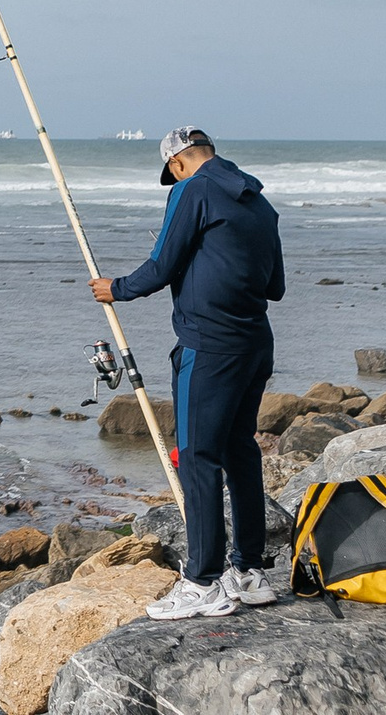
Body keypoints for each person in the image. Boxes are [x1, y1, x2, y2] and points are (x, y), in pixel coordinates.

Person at [89, 125, 286, 619]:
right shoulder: (260, 203)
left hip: (209, 347)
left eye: (172, 171)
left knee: (197, 457)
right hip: (254, 343)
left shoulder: (190, 189)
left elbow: (161, 267)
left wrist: (116, 288)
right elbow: (276, 286)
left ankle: (202, 583)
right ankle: (248, 571)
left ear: (178, 163)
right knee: (240, 450)